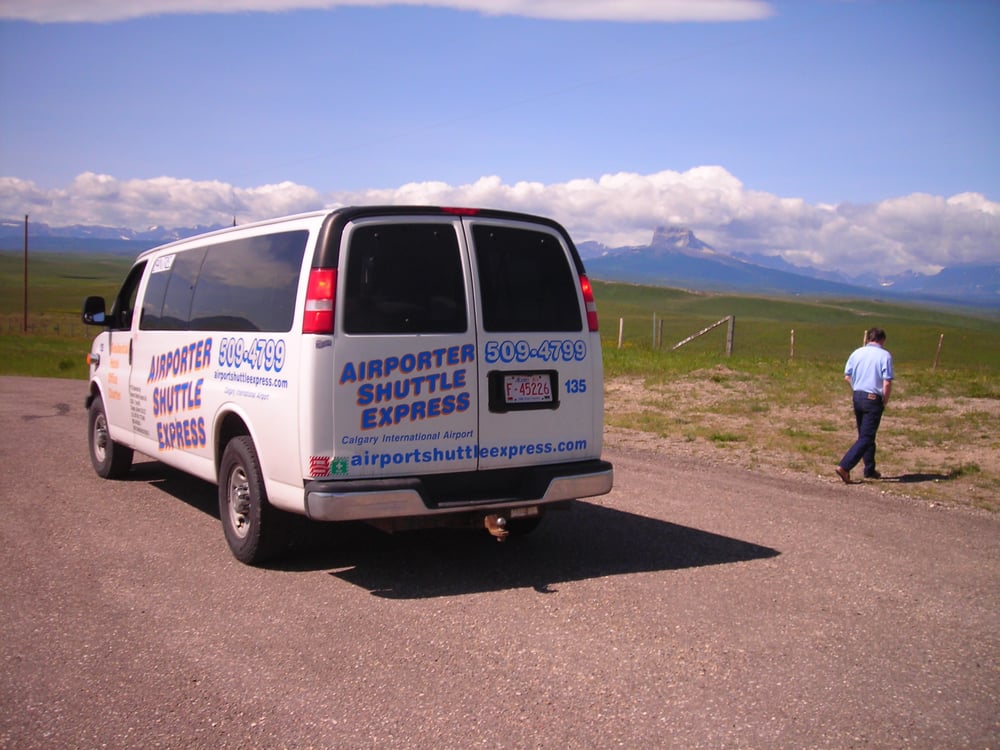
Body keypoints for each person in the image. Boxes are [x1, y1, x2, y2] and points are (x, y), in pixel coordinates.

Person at [836, 327, 894, 484]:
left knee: (865, 434)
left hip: (858, 395)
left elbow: (847, 376)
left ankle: (869, 469)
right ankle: (845, 466)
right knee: (867, 436)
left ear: (868, 339)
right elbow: (887, 381)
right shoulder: (885, 355)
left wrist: (857, 388)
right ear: (882, 340)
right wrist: (884, 400)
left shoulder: (857, 353)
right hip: (873, 397)